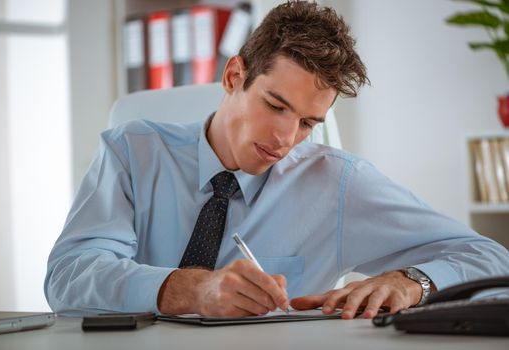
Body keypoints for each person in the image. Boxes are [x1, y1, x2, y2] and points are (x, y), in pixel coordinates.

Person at [45, 1, 509, 319]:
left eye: (308, 122)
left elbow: (491, 258)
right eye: (275, 105)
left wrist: (414, 283)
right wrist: (194, 290)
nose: (286, 138)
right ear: (233, 76)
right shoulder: (133, 151)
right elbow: (67, 277)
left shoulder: (337, 183)